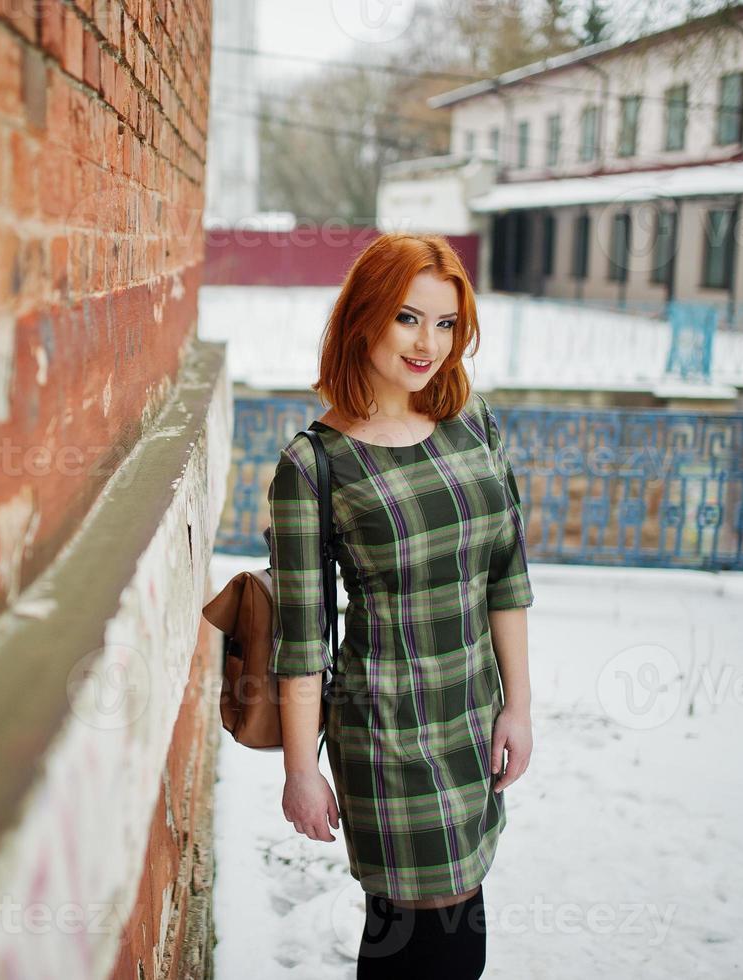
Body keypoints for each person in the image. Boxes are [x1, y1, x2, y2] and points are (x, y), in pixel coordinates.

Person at [266, 233, 535, 978]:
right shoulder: (314, 464)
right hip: (386, 729)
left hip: (471, 715)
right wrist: (298, 768)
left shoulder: (471, 423)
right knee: (432, 944)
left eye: (446, 324)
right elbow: (301, 636)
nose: (429, 344)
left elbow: (505, 575)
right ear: (364, 319)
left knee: (453, 929)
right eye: (408, 319)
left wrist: (516, 706)